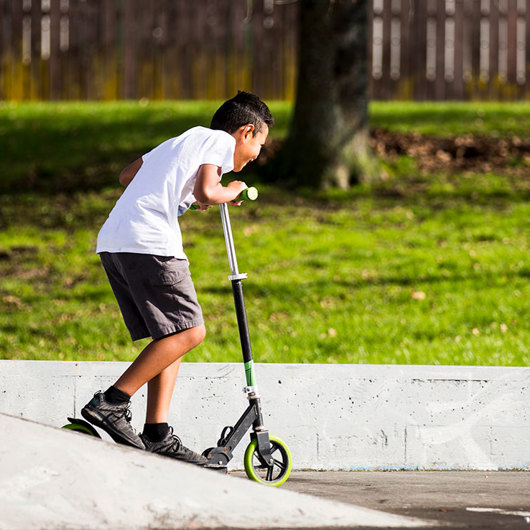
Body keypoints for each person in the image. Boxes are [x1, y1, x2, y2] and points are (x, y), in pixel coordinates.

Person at [81, 91, 273, 466]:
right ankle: (113, 402)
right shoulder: (220, 140)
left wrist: (184, 193)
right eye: (259, 146)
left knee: (171, 336)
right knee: (191, 332)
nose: (254, 157)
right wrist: (225, 191)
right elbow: (207, 189)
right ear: (246, 132)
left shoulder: (182, 140)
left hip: (116, 241)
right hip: (150, 242)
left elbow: (127, 175)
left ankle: (157, 434)